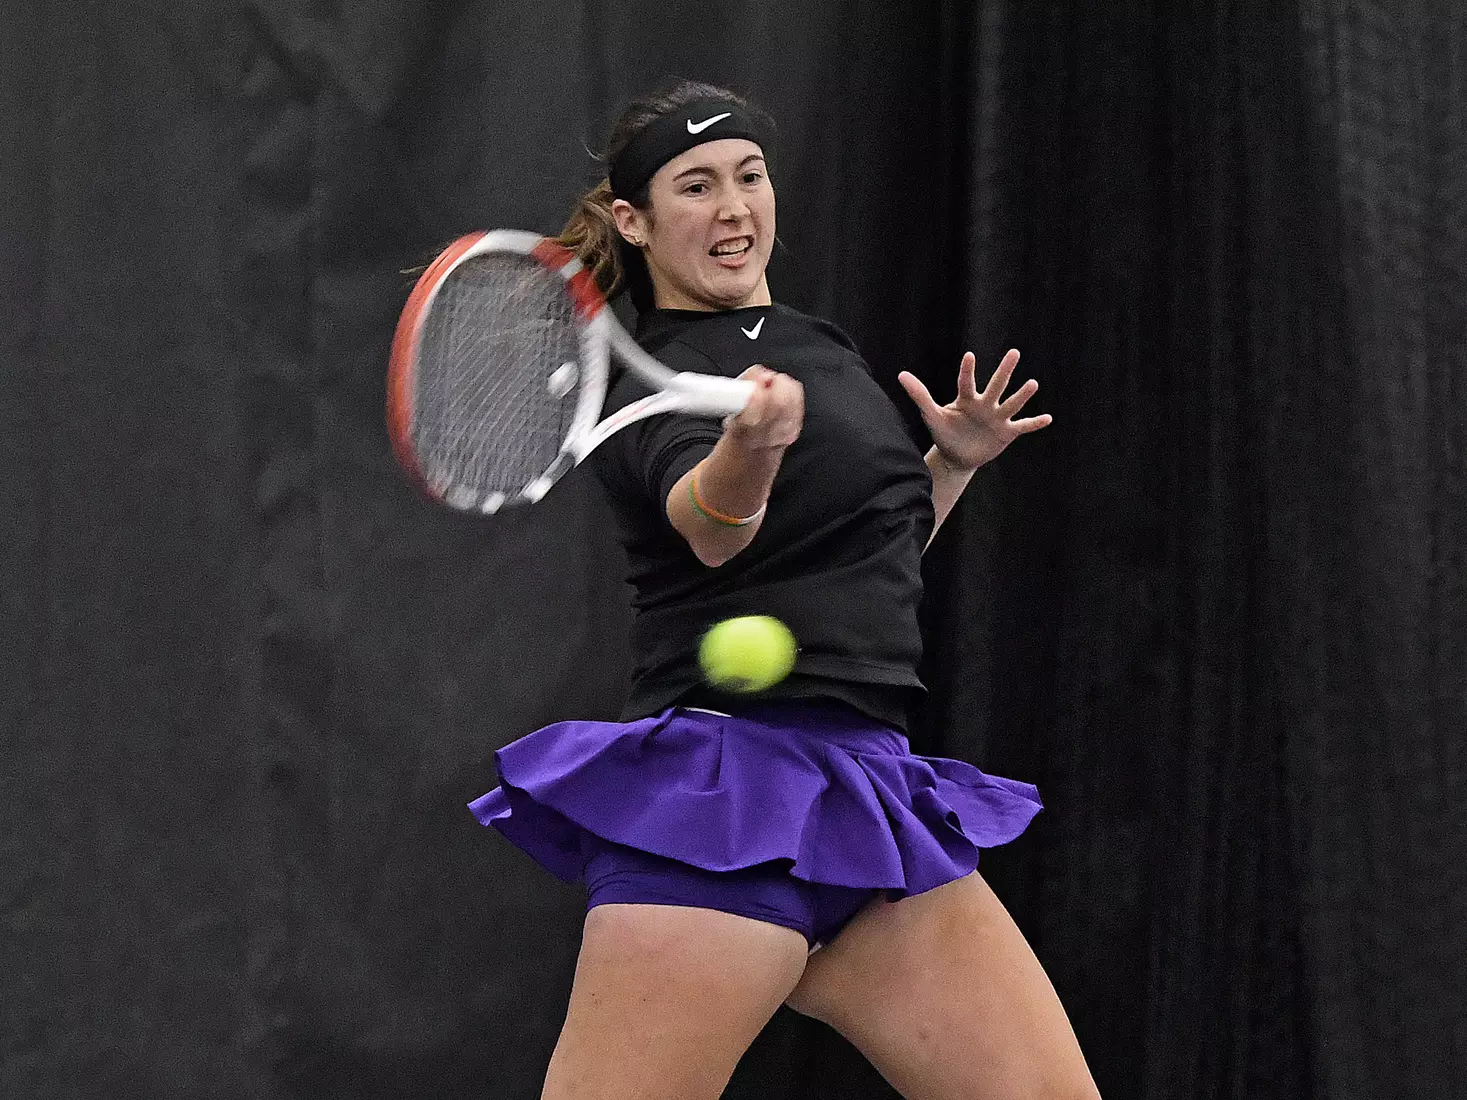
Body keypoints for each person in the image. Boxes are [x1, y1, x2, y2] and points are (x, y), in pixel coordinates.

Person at [469, 81, 1101, 1100]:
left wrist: (951, 468)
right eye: (696, 186)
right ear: (633, 221)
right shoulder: (639, 388)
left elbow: (869, 560)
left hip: (868, 794)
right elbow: (713, 531)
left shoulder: (823, 349)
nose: (733, 208)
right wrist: (750, 453)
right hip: (722, 797)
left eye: (749, 177)